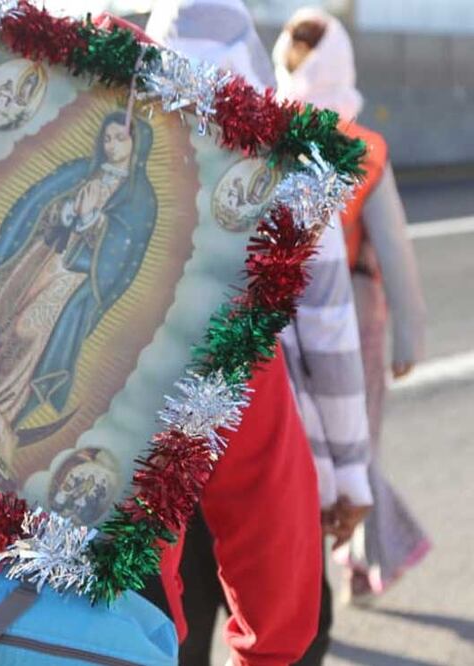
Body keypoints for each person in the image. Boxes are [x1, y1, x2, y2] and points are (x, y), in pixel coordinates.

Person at [148, 1, 372, 663]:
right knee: (287, 629)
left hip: (148, 478)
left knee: (166, 629)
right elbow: (328, 335)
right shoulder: (295, 175)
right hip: (271, 453)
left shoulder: (129, 166)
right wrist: (350, 476)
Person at [274, 6, 430, 607]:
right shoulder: (364, 148)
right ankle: (360, 565)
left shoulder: (267, 136)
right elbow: (394, 252)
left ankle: (302, 560)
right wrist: (409, 340)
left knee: (298, 438)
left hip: (278, 306)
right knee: (356, 445)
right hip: (355, 312)